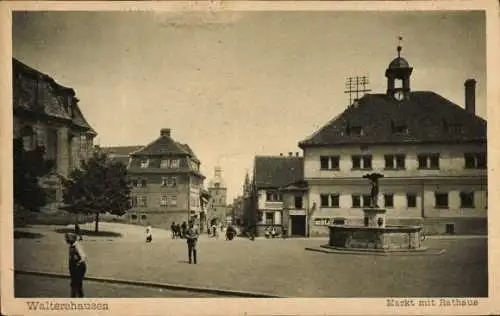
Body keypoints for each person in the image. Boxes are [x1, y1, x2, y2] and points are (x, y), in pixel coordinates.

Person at [65, 233, 87, 298]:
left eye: (68, 238)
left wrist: (78, 263)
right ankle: (74, 298)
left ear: (72, 238)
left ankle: (79, 298)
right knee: (73, 284)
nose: (66, 240)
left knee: (77, 285)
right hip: (74, 268)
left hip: (79, 268)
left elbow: (83, 257)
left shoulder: (76, 246)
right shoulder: (72, 246)